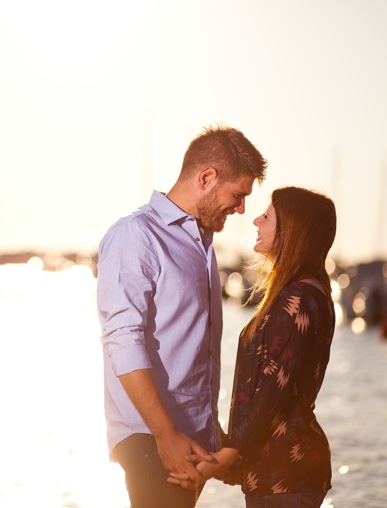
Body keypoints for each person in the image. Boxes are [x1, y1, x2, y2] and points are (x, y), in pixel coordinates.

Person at [97, 125, 267, 508]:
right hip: (152, 437)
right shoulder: (136, 235)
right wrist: (166, 435)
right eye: (237, 195)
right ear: (206, 178)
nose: (241, 209)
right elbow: (123, 339)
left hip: (191, 437)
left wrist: (211, 432)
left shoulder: (202, 243)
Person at [169, 186, 337, 508]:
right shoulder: (306, 292)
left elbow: (273, 394)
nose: (256, 221)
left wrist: (221, 460)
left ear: (292, 231)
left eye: (268, 215)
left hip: (285, 473)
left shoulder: (299, 298)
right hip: (279, 470)